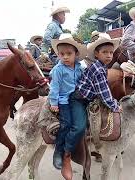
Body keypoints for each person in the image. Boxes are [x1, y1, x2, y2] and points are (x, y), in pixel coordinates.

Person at [66, 33, 122, 178]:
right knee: (79, 126)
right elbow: (104, 93)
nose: (109, 55)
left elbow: (104, 90)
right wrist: (115, 105)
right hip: (79, 99)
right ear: (96, 54)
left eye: (111, 52)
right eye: (105, 52)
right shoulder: (98, 69)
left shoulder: (102, 67)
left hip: (90, 98)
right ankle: (66, 150)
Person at [48, 33, 86, 180]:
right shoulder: (58, 70)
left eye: (69, 54)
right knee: (67, 125)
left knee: (83, 124)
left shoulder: (79, 67)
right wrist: (53, 103)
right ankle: (61, 151)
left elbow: (83, 82)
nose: (65, 57)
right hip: (64, 100)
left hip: (77, 98)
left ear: (76, 54)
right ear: (58, 54)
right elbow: (54, 87)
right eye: (61, 54)